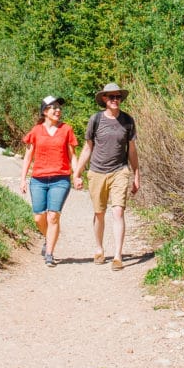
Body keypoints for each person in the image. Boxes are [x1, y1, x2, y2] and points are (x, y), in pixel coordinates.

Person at [74, 82, 140, 271]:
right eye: (111, 97)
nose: (115, 100)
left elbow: (132, 151)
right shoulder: (95, 120)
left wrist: (136, 174)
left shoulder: (128, 121)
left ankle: (118, 255)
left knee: (118, 211)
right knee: (99, 213)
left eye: (118, 97)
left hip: (120, 170)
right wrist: (77, 173)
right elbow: (88, 148)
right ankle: (99, 248)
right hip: (96, 172)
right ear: (104, 99)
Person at [20, 96, 78, 267]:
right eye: (54, 108)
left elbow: (72, 155)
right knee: (39, 218)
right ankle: (48, 238)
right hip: (38, 179)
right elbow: (28, 156)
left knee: (53, 216)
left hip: (60, 179)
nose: (58, 110)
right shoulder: (36, 130)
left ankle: (50, 254)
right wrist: (23, 179)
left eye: (59, 108)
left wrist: (76, 175)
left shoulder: (67, 129)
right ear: (45, 111)